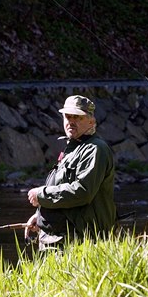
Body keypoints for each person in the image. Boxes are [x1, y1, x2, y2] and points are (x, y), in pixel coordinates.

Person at [24, 95, 116, 248]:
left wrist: (41, 195)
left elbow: (82, 191)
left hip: (80, 242)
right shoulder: (73, 149)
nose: (71, 121)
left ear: (91, 121)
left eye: (78, 117)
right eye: (68, 116)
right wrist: (40, 215)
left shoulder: (95, 149)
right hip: (59, 239)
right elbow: (65, 189)